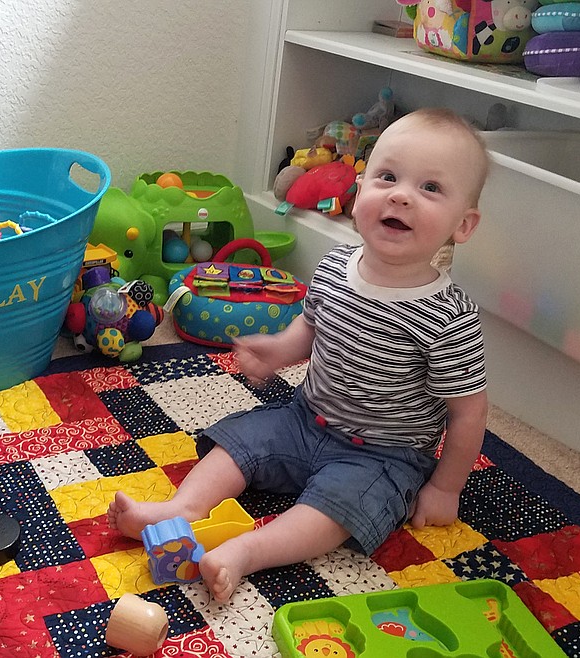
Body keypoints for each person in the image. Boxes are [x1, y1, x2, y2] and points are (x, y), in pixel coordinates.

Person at [108, 107, 491, 603]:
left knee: (336, 511)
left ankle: (248, 552)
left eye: (430, 188)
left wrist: (445, 487)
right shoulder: (333, 267)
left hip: (384, 454)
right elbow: (310, 328)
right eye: (388, 177)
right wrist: (276, 350)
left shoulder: (448, 316)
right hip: (305, 418)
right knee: (238, 442)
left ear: (463, 225)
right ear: (359, 194)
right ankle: (180, 508)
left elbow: (468, 413)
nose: (400, 195)